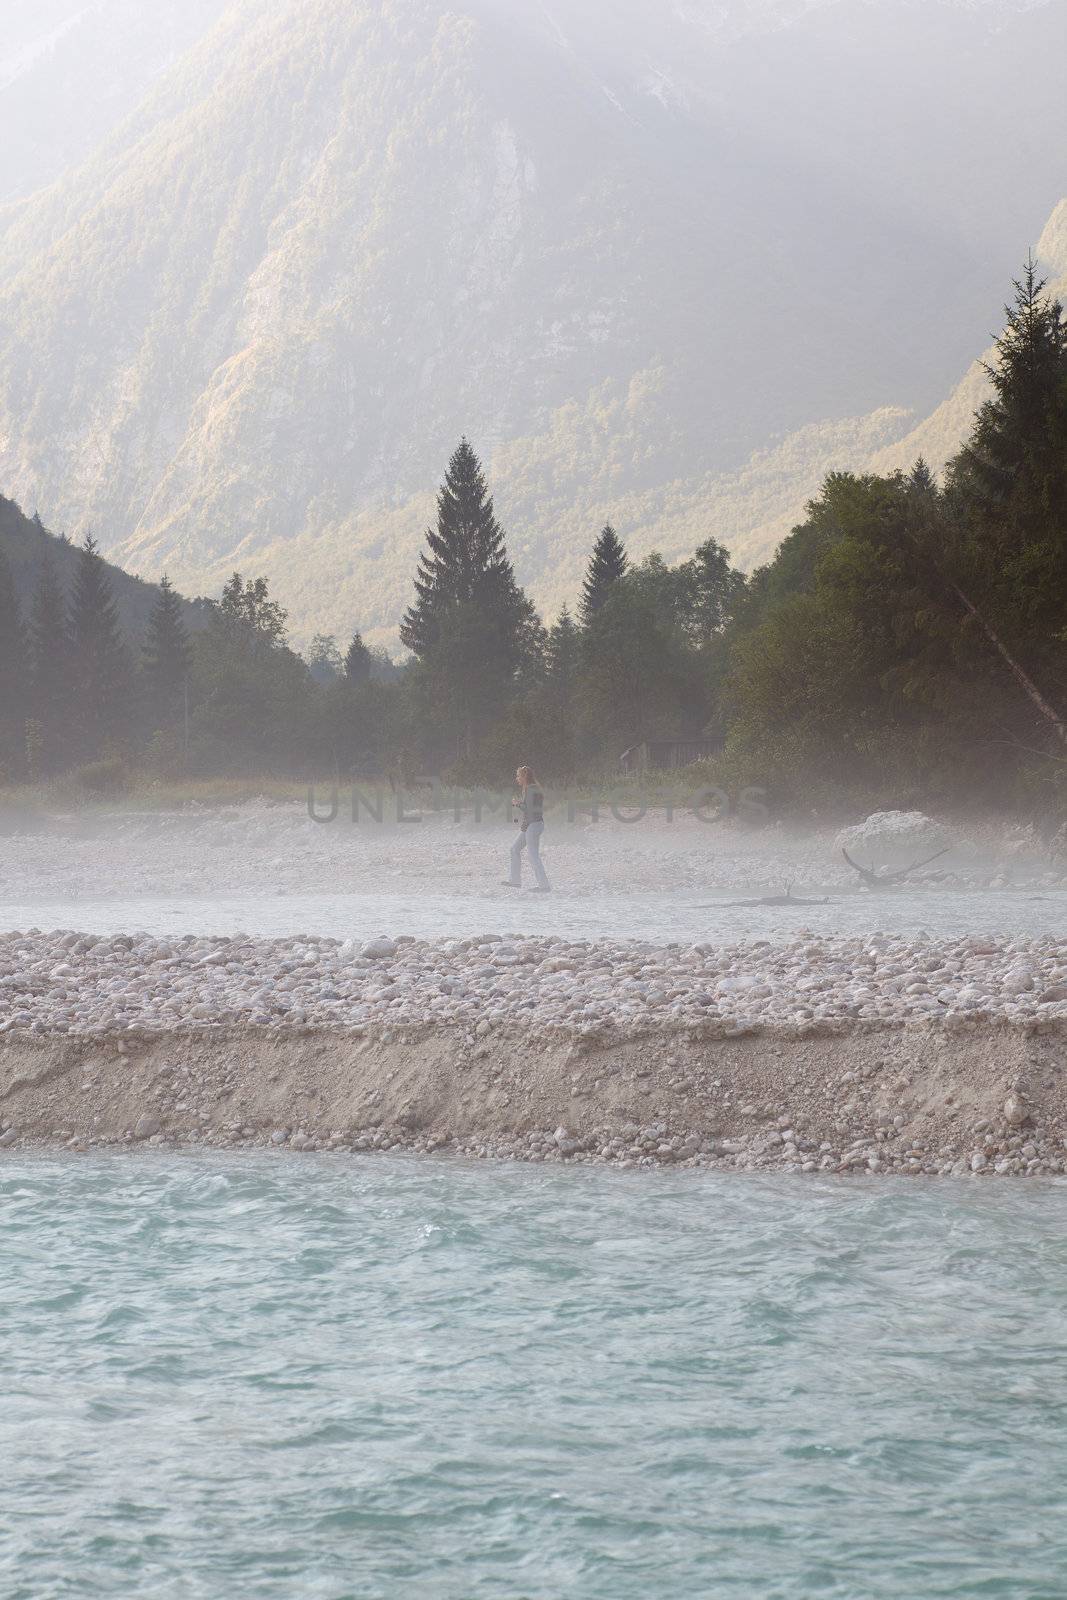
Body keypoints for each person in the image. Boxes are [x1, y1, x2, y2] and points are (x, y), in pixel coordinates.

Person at [504, 765, 551, 891]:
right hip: (532, 824)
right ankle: (515, 881)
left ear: (525, 776)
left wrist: (517, 803)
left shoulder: (530, 789)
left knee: (533, 855)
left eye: (519, 776)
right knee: (514, 849)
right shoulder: (532, 788)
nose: (517, 778)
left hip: (533, 825)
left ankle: (544, 886)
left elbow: (528, 809)